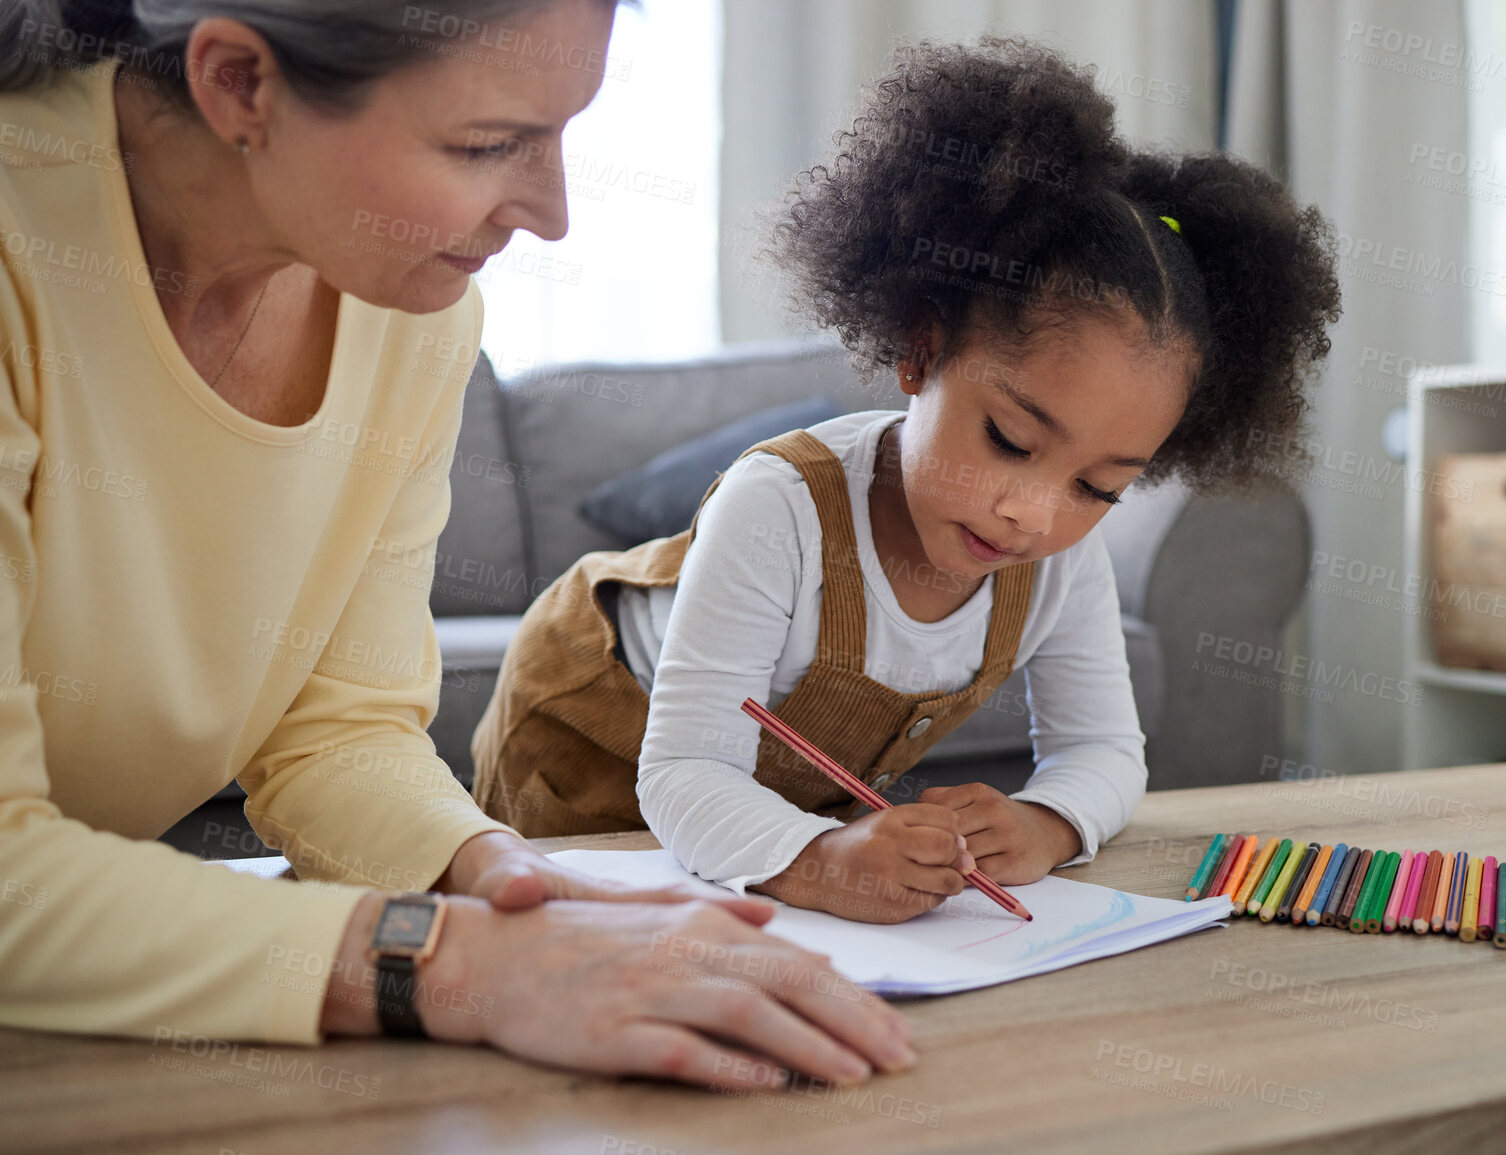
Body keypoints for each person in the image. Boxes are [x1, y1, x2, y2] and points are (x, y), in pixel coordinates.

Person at [0, 0, 914, 1090]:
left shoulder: (410, 309)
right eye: (488, 145)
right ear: (240, 83)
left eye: (561, 133)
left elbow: (335, 733)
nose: (552, 212)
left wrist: (503, 882)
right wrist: (451, 964)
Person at [471, 38, 1341, 923]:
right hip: (592, 733)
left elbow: (1106, 749)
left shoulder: (1055, 561)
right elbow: (688, 769)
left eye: (1100, 488)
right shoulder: (776, 506)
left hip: (758, 792)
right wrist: (814, 861)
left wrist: (1045, 821)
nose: (1030, 514)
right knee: (575, 933)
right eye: (1008, 438)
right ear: (920, 350)